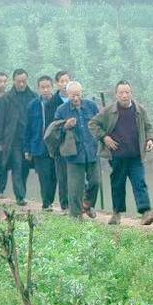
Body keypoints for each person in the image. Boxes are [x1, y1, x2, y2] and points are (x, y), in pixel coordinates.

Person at [90, 80, 153, 226]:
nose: (124, 95)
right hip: (117, 156)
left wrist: (150, 140)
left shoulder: (139, 109)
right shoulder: (109, 111)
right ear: (116, 95)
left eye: (127, 92)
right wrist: (104, 137)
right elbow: (93, 124)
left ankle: (145, 212)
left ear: (131, 93)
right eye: (121, 92)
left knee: (139, 182)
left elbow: (148, 127)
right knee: (118, 184)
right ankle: (116, 214)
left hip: (135, 155)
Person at [53, 81, 100, 219]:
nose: (75, 98)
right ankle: (75, 217)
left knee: (95, 181)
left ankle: (87, 204)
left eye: (78, 95)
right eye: (72, 96)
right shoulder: (61, 110)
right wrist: (65, 126)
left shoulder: (91, 106)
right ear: (67, 95)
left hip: (91, 150)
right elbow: (54, 132)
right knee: (75, 188)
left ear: (82, 93)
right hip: (74, 153)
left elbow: (100, 123)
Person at [0, 69, 38, 204]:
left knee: (25, 168)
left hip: (28, 139)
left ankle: (22, 194)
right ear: (13, 81)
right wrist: (0, 140)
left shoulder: (33, 97)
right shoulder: (6, 98)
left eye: (24, 81)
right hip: (13, 139)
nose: (21, 84)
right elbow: (1, 121)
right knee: (17, 166)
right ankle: (20, 196)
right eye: (19, 81)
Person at [25, 75, 58, 210]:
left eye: (48, 87)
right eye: (42, 87)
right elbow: (28, 127)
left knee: (54, 176)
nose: (45, 90)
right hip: (39, 146)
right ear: (38, 89)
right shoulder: (33, 105)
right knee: (44, 176)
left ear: (52, 87)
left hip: (55, 147)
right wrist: (27, 148)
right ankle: (46, 203)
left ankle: (50, 200)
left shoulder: (58, 103)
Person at [51, 70, 72, 209]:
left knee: (77, 176)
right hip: (60, 144)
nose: (65, 84)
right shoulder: (52, 103)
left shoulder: (76, 100)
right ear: (57, 84)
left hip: (76, 145)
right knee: (62, 176)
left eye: (67, 81)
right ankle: (65, 204)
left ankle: (79, 203)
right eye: (62, 81)